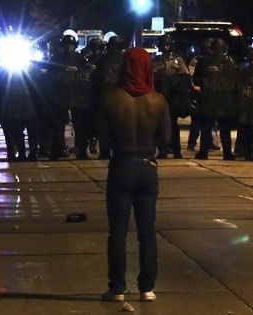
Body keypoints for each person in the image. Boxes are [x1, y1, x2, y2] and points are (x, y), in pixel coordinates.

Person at [97, 47, 171, 302]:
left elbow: (104, 141)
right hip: (147, 167)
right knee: (147, 230)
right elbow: (167, 141)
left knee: (117, 231)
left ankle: (117, 287)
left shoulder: (110, 99)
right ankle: (146, 287)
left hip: (121, 165)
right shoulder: (158, 101)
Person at [192, 38, 238, 160]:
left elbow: (196, 79)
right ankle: (227, 153)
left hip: (208, 99)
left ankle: (203, 153)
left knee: (206, 128)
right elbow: (236, 82)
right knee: (225, 130)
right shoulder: (231, 62)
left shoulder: (203, 61)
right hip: (225, 100)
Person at [46, 34, 89, 161]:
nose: (69, 47)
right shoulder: (57, 58)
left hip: (76, 96)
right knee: (58, 125)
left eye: (71, 45)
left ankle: (81, 150)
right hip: (60, 96)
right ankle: (57, 149)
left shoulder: (80, 58)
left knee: (80, 125)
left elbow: (87, 73)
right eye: (66, 45)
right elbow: (50, 74)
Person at [152, 34, 190, 159]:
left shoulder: (178, 60)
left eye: (168, 44)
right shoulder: (156, 60)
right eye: (164, 44)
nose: (166, 47)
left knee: (173, 125)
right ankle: (162, 150)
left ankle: (176, 151)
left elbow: (185, 76)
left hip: (174, 97)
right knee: (160, 125)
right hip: (160, 96)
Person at [92, 35, 124, 159]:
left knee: (112, 128)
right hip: (107, 97)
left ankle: (110, 151)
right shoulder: (103, 60)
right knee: (106, 128)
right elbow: (97, 79)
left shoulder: (122, 59)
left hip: (115, 97)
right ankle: (106, 151)